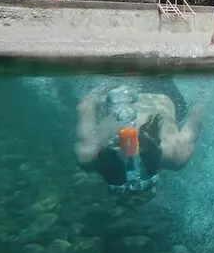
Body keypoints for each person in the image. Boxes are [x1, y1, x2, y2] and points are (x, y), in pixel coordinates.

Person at [75, 83, 205, 205]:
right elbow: (85, 105)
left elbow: (196, 117)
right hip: (130, 89)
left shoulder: (176, 154)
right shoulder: (88, 154)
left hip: (158, 94)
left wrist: (205, 90)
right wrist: (103, 84)